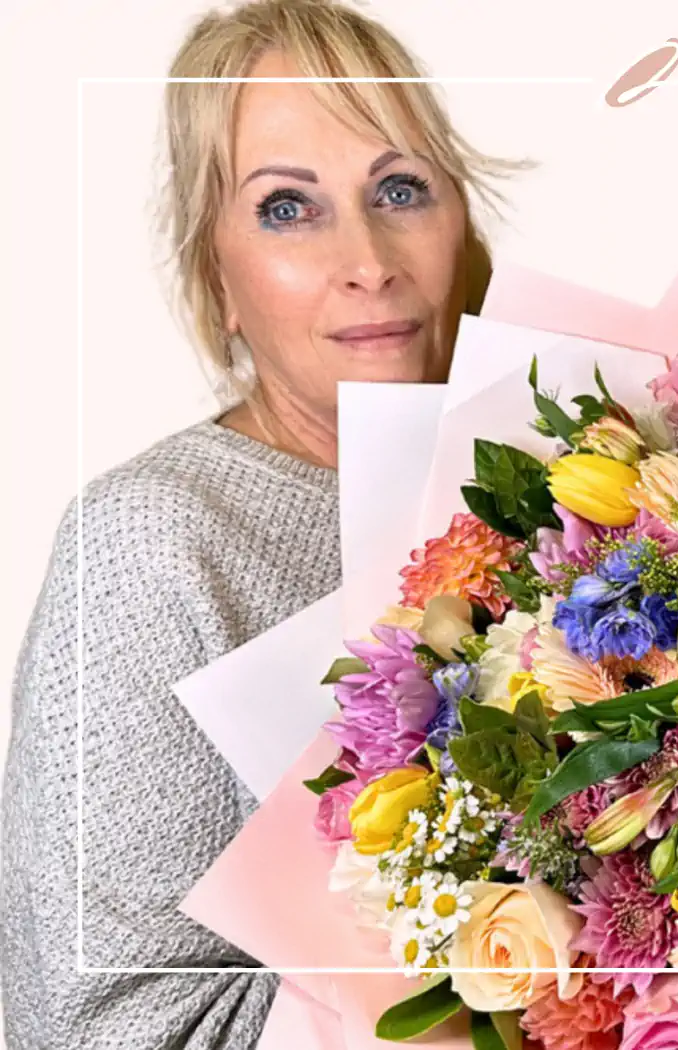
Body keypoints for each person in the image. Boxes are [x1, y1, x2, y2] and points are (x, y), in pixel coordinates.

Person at [0, 1, 531, 1045]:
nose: (368, 256)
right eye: (288, 207)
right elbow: (93, 1021)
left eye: (400, 188)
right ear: (217, 277)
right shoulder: (152, 544)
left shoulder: (557, 489)